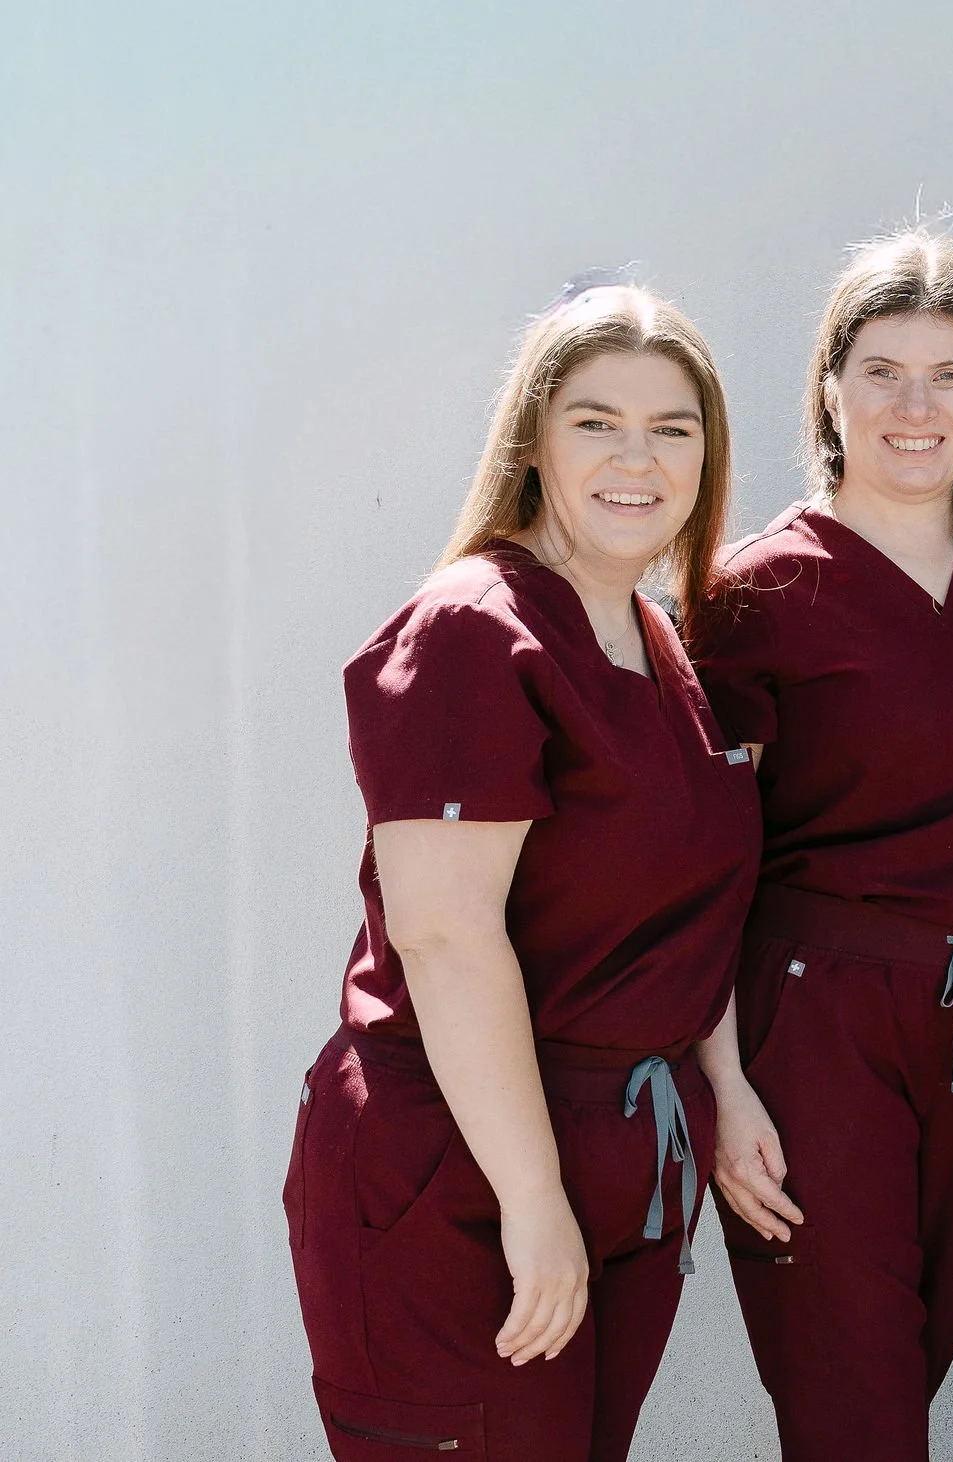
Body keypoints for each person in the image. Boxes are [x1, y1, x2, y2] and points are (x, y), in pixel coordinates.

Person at [281, 282, 763, 1462]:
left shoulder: (653, 639)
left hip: (621, 1153)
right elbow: (444, 940)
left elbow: (679, 907)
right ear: (534, 440)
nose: (634, 457)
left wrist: (725, 1088)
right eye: (596, 421)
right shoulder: (470, 629)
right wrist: (533, 1197)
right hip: (461, 1170)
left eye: (672, 427)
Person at [688, 230, 953, 1461]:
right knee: (850, 1398)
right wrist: (720, 1079)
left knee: (906, 1365)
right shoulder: (753, 593)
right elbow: (697, 861)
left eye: (948, 374)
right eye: (882, 370)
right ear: (829, 389)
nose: (915, 406)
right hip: (817, 1018)